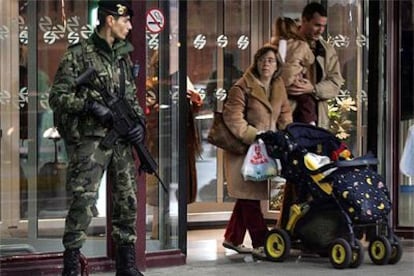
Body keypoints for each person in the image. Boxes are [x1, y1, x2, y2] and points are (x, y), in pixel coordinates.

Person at [48, 1, 144, 275]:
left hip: (122, 141)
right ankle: (71, 264)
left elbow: (130, 100)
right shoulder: (77, 56)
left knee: (127, 201)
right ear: (110, 20)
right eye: (125, 20)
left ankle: (126, 265)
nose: (130, 25)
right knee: (83, 200)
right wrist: (90, 106)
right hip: (91, 142)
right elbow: (57, 97)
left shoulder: (123, 57)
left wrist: (139, 125)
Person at [221, 44, 292, 259]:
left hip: (264, 151)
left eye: (270, 60)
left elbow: (285, 113)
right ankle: (262, 241)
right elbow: (233, 118)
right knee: (249, 196)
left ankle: (233, 237)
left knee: (247, 196)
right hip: (243, 151)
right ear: (256, 62)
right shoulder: (242, 87)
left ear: (277, 64)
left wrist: (288, 134)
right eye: (262, 60)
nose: (266, 64)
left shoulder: (278, 85)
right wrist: (255, 135)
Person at [145, 50, 202, 239]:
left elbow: (193, 106)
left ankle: (171, 230)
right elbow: (148, 113)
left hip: (179, 142)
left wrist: (193, 102)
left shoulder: (181, 81)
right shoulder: (152, 84)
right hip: (161, 143)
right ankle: (160, 230)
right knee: (161, 188)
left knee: (173, 186)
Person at [290, 2, 344, 129]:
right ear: (304, 21)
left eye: (324, 26)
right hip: (288, 116)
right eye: (317, 25)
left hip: (317, 119)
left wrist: (313, 89)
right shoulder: (287, 44)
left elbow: (336, 83)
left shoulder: (327, 50)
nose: (321, 30)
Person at [271, 17, 316, 125]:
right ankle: (310, 123)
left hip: (277, 84)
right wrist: (303, 68)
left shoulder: (272, 45)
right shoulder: (301, 45)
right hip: (294, 82)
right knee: (306, 101)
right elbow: (310, 60)